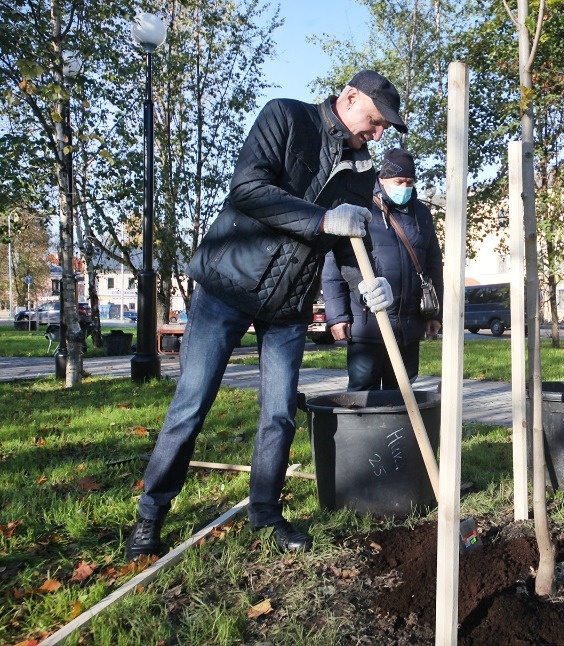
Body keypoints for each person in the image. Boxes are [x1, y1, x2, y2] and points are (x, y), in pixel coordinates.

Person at [125, 70, 406, 560]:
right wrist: (320, 219)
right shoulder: (285, 116)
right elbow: (248, 189)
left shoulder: (362, 172)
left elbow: (348, 244)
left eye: (385, 128)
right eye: (376, 122)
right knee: (191, 405)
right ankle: (150, 516)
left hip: (288, 305)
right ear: (349, 97)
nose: (378, 134)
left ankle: (266, 512)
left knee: (279, 414)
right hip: (227, 286)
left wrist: (370, 283)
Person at [322, 148, 443, 390]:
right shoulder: (360, 207)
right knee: (361, 395)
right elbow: (334, 265)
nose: (404, 187)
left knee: (400, 396)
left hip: (408, 328)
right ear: (382, 178)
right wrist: (337, 317)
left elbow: (433, 266)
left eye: (409, 182)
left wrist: (434, 315)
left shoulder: (421, 214)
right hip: (367, 324)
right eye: (399, 181)